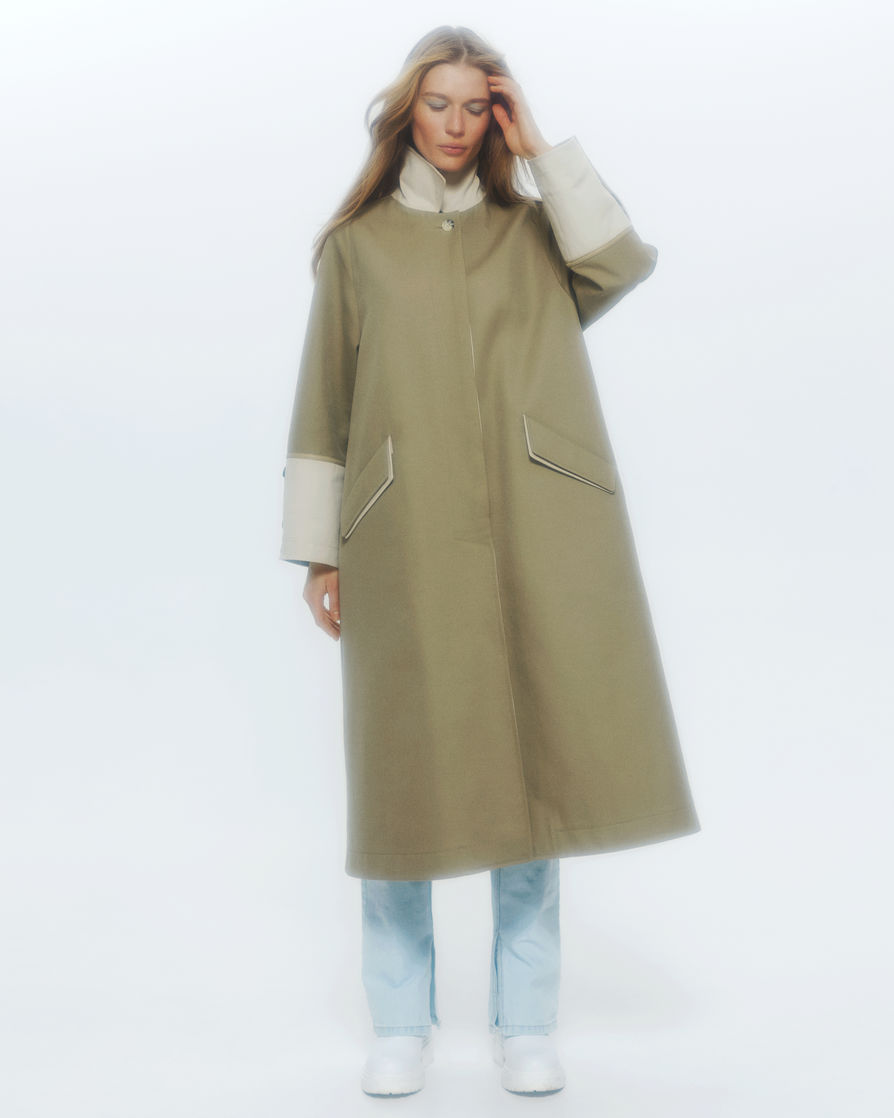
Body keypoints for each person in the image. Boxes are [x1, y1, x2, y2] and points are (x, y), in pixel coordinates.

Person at [279, 25, 700, 1098]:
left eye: (478, 107)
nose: (458, 126)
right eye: (439, 105)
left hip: (536, 525)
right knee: (402, 778)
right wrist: (318, 553)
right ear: (405, 113)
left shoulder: (534, 233)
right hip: (401, 533)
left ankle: (525, 1021)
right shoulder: (358, 246)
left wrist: (543, 147)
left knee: (531, 771)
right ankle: (398, 1021)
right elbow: (324, 403)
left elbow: (621, 263)